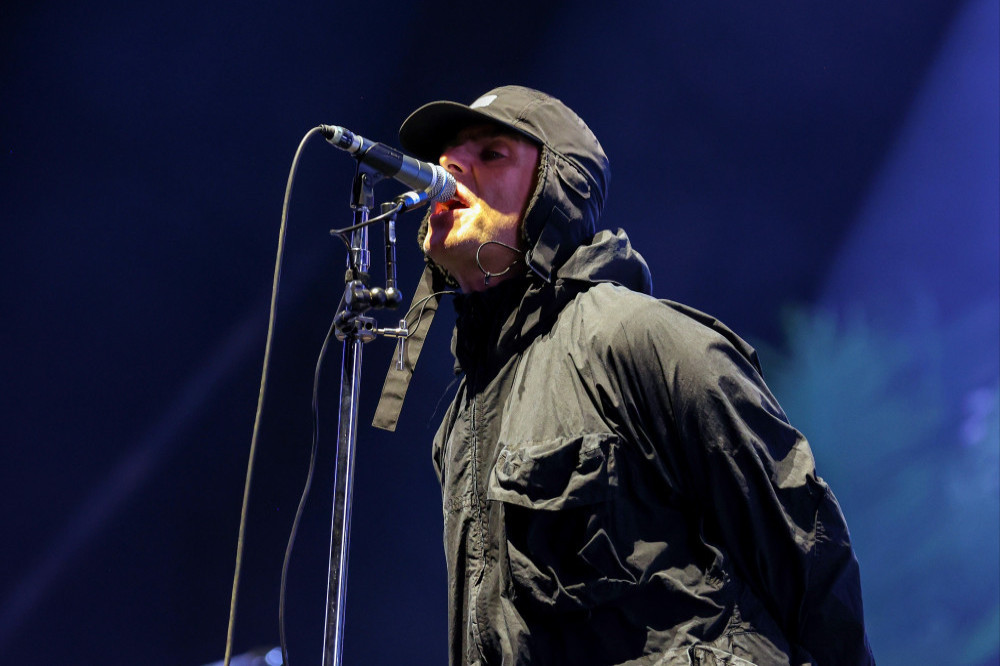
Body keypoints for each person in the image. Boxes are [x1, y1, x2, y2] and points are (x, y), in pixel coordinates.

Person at [374, 85, 875, 665]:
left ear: (555, 192)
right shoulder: (459, 424)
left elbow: (803, 549)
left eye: (490, 154)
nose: (448, 168)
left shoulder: (641, 339)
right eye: (446, 158)